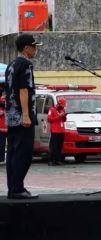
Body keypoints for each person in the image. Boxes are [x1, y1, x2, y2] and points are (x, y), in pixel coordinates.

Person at [5, 34, 42, 199]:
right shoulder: (26, 64)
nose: (35, 50)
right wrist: (26, 115)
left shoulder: (11, 65)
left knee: (13, 152)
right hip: (22, 116)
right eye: (34, 47)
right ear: (27, 48)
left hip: (11, 115)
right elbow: (23, 90)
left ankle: (13, 188)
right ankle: (18, 188)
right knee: (24, 153)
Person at [47, 97, 67, 166]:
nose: (62, 107)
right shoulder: (52, 110)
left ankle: (57, 160)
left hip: (62, 130)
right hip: (55, 130)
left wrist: (64, 116)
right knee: (53, 146)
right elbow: (49, 119)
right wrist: (59, 116)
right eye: (62, 105)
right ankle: (51, 160)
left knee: (59, 146)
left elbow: (64, 120)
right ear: (58, 104)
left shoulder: (62, 110)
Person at [0, 96, 7, 162]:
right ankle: (1, 158)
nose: (4, 103)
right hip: (1, 129)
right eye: (2, 102)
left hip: (9, 129)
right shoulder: (1, 109)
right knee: (1, 144)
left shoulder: (10, 109)